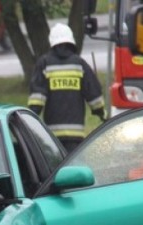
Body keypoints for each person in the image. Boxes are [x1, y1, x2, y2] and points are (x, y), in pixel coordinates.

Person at [27, 23, 106, 153]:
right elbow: (94, 95)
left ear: (52, 42)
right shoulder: (79, 64)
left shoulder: (44, 63)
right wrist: (102, 114)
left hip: (51, 134)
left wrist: (30, 118)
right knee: (72, 166)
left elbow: (37, 98)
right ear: (71, 42)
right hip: (75, 134)